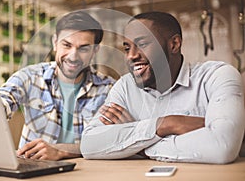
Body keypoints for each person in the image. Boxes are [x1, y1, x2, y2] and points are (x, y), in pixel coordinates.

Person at [80, 11, 245, 164]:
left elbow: (223, 146)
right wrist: (167, 124)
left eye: (142, 44)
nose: (131, 56)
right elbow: (89, 145)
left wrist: (138, 146)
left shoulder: (217, 76)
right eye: (127, 48)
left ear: (174, 44)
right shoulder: (125, 86)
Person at [0, 11, 114, 160]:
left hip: (87, 173)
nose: (73, 56)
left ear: (95, 51)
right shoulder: (30, 77)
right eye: (66, 45)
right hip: (34, 169)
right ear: (55, 43)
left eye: (83, 48)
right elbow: (2, 100)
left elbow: (110, 142)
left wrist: (62, 151)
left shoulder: (109, 89)